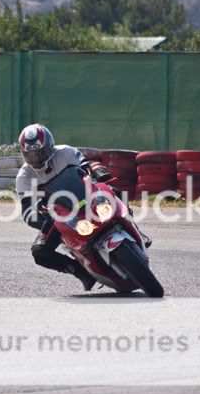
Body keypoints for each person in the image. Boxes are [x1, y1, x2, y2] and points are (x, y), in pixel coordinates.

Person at [15, 123, 151, 291]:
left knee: (114, 191)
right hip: (59, 215)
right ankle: (81, 272)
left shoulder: (65, 152)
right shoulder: (24, 176)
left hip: (86, 196)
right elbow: (27, 211)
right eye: (31, 155)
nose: (37, 158)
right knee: (40, 252)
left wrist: (99, 172)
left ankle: (134, 228)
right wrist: (42, 220)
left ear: (50, 146)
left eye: (40, 152)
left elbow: (87, 166)